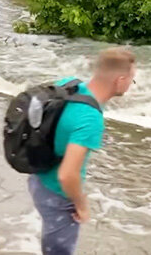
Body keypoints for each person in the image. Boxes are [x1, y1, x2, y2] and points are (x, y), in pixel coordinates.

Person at [29, 48, 137, 255]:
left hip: (37, 177)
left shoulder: (70, 85)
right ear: (120, 80)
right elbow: (67, 175)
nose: (131, 85)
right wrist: (81, 205)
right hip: (56, 195)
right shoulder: (90, 119)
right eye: (132, 80)